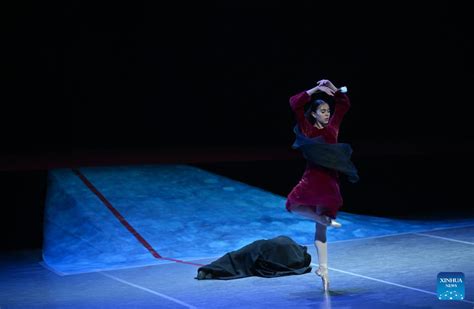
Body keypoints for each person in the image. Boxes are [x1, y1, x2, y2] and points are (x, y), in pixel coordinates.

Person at [286, 79, 357, 291]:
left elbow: (344, 104)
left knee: (306, 217)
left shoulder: (333, 127)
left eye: (328, 110)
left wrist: (333, 88)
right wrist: (315, 89)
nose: (327, 114)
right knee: (301, 211)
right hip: (316, 181)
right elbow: (294, 102)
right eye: (323, 111)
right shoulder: (307, 128)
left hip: (326, 182)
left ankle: (324, 267)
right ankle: (323, 270)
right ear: (314, 113)